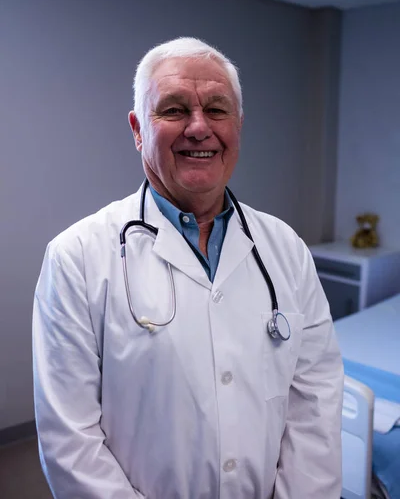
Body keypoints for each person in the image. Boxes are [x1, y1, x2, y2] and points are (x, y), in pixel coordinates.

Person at [33, 37, 344, 499]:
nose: (199, 128)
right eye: (174, 110)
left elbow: (315, 400)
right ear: (139, 129)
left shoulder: (285, 248)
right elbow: (70, 440)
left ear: (238, 125)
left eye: (217, 110)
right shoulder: (76, 257)